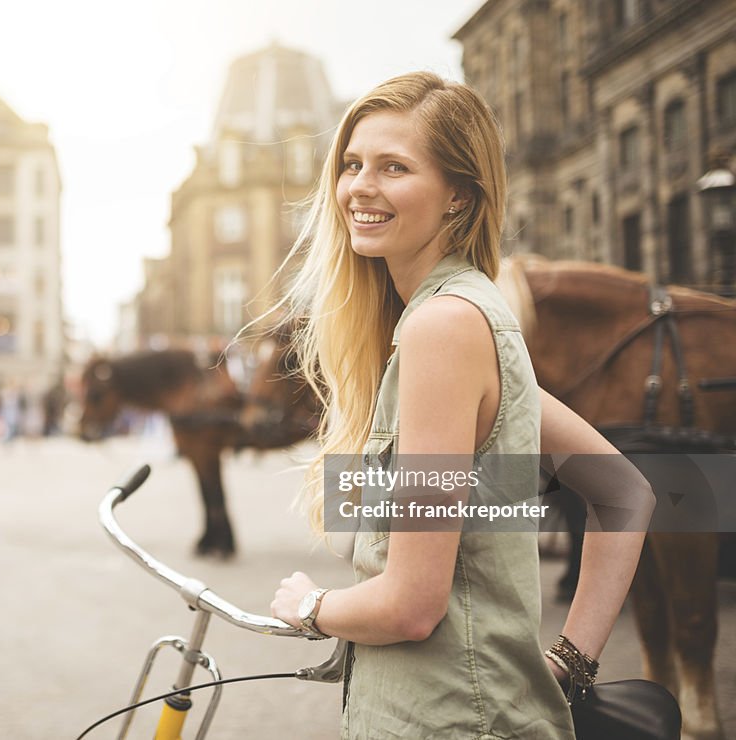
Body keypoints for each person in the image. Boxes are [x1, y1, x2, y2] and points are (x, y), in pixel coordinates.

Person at [264, 72, 655, 738]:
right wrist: (569, 663)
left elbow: (411, 606)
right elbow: (624, 489)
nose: (360, 186)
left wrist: (313, 606)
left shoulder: (442, 328)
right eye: (353, 164)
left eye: (394, 167)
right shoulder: (464, 316)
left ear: (458, 197)